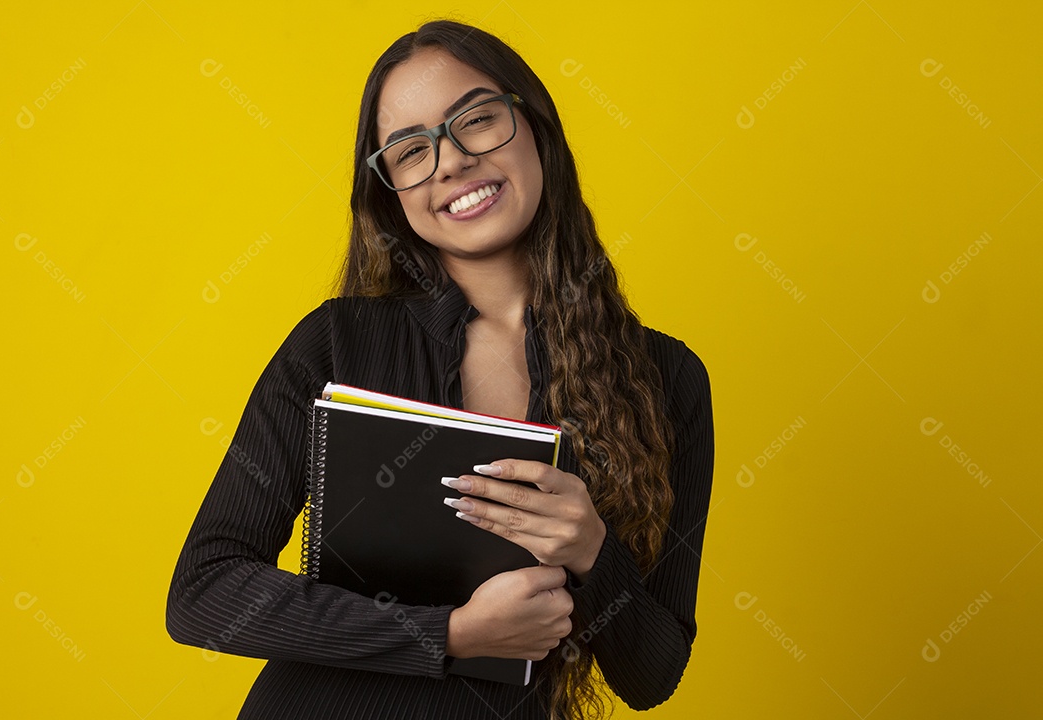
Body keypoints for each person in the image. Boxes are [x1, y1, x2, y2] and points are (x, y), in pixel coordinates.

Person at [166, 17, 714, 720]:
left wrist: (591, 549)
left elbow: (653, 676)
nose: (450, 162)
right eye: (410, 151)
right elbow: (204, 593)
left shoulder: (667, 378)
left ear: (536, 126)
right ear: (391, 193)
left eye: (476, 120)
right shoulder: (336, 344)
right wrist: (449, 635)